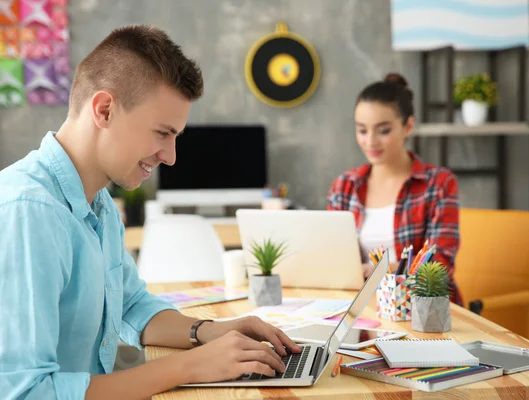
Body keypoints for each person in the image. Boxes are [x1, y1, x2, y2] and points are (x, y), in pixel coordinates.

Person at [0, 25, 301, 399]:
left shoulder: (98, 204)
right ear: (104, 109)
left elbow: (131, 305)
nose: (171, 157)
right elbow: (27, 392)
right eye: (162, 133)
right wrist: (190, 366)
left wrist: (209, 331)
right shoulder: (28, 214)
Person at [326, 73, 463, 306]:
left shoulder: (438, 184)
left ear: (408, 126)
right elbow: (332, 257)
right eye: (362, 130)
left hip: (423, 311)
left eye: (384, 130)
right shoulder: (345, 186)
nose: (371, 141)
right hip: (360, 309)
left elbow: (440, 266)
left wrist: (381, 271)